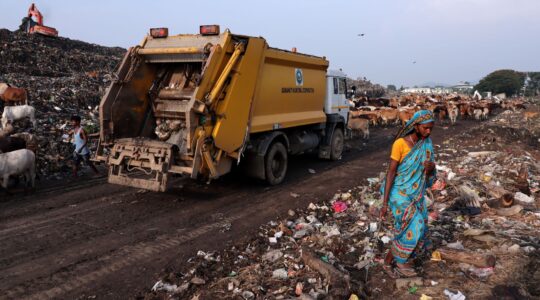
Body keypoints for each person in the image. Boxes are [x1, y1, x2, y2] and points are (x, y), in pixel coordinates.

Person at [380, 110, 436, 277]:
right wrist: (384, 204)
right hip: (398, 193)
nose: (429, 131)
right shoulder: (400, 144)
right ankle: (401, 260)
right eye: (426, 128)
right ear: (415, 126)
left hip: (416, 193)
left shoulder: (427, 144)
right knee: (416, 223)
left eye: (431, 128)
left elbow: (430, 171)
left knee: (406, 228)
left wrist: (431, 169)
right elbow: (390, 173)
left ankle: (388, 261)